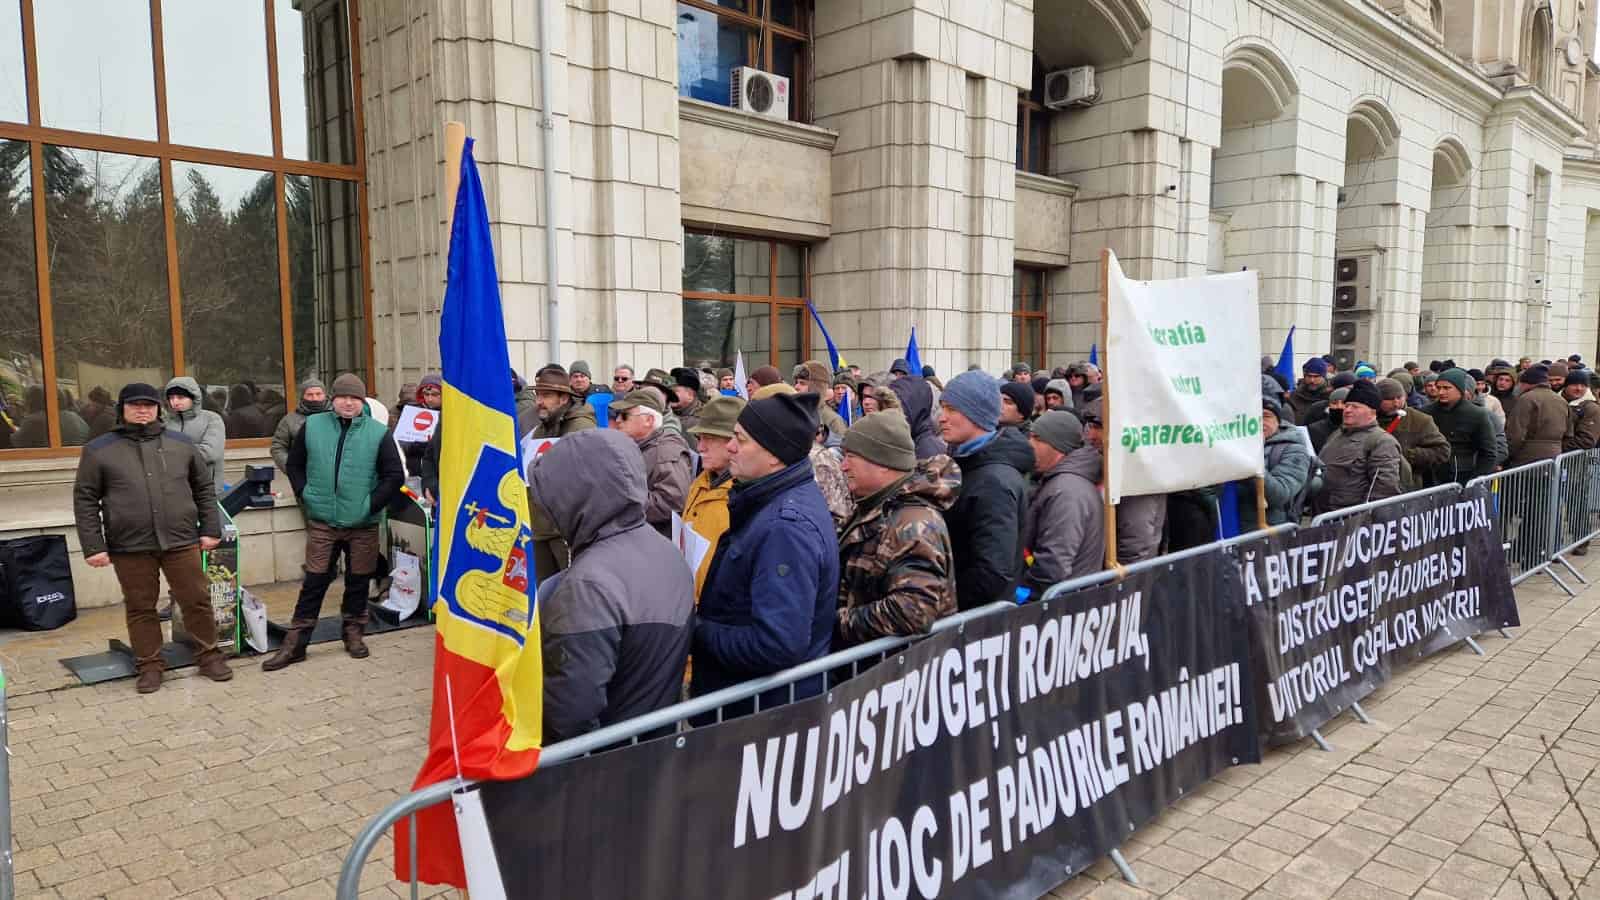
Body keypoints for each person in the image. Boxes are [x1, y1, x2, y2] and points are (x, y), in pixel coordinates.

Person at [528, 429, 694, 742]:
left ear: (574, 495)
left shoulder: (588, 586)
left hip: (606, 765)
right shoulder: (666, 551)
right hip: (656, 745)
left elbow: (570, 712)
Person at [74, 383, 232, 693]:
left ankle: (209, 655)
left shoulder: (181, 444)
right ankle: (149, 665)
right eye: (135, 404)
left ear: (159, 408)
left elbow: (203, 489)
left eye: (149, 404)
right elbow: (85, 499)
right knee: (140, 606)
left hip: (181, 539)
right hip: (129, 545)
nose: (143, 409)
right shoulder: (99, 449)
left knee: (196, 600)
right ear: (123, 409)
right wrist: (94, 546)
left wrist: (211, 529)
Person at [692, 391, 839, 716]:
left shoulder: (785, 528)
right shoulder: (772, 501)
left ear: (774, 455)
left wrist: (698, 631)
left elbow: (778, 644)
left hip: (762, 718)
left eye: (740, 440)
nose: (730, 446)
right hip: (752, 708)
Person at [264, 374, 404, 670]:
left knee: (357, 581)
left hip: (362, 524)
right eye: (342, 397)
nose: (348, 402)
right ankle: (296, 643)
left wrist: (370, 505)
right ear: (333, 399)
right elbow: (295, 463)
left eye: (354, 398)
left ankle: (353, 633)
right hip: (323, 520)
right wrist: (306, 494)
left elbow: (394, 476)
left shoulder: (378, 432)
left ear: (362, 401)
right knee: (314, 582)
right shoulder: (313, 426)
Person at [834, 411, 958, 648]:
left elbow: (912, 611)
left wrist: (838, 622)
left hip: (895, 672)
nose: (843, 465)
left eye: (851, 456)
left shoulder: (914, 524)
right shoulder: (874, 504)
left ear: (882, 463)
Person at [938, 371, 1027, 610]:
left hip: (975, 624)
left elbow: (993, 572)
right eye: (942, 408)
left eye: (951, 409)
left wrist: (942, 604)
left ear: (975, 413)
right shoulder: (965, 463)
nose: (941, 418)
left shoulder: (994, 482)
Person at [518, 369, 598, 580]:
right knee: (543, 589)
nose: (539, 402)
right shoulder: (542, 427)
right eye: (538, 395)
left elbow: (574, 472)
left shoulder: (580, 425)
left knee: (568, 588)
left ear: (563, 398)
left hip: (563, 527)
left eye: (546, 396)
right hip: (540, 524)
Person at [1019, 411, 1104, 600]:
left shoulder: (1066, 491)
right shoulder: (1059, 482)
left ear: (1057, 445)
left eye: (1037, 438)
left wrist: (1024, 597)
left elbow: (1054, 563)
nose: (1029, 444)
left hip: (1061, 608)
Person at [682, 396, 745, 597]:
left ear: (733, 442)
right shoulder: (700, 482)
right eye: (700, 439)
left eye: (709, 438)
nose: (700, 447)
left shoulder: (745, 495)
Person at [609, 388, 692, 537]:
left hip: (656, 542)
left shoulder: (665, 451)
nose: (618, 420)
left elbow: (673, 503)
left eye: (625, 415)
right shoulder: (643, 446)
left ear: (649, 420)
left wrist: (621, 499)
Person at [1316, 380, 1401, 512]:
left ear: (1372, 412)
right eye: (1347, 405)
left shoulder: (1381, 442)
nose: (1347, 410)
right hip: (1325, 516)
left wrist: (1366, 522)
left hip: (1353, 520)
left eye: (1355, 407)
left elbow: (1384, 489)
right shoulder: (1337, 434)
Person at [1242, 397, 1312, 526]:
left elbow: (1280, 495)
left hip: (1268, 533)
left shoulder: (1294, 450)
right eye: (1253, 416)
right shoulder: (1233, 447)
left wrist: (1252, 459)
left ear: (1278, 422)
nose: (1259, 422)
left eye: (1266, 416)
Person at [1423, 368, 1499, 485]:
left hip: (1463, 478)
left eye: (1447, 388)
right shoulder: (1426, 412)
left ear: (1460, 390)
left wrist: (1474, 481)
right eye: (1439, 388)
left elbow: (1489, 452)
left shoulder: (1477, 414)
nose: (1441, 392)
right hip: (1431, 477)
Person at [1376, 378, 1450, 491]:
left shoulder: (1420, 420)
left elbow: (1442, 451)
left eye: (1399, 397)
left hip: (1407, 487)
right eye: (1389, 399)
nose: (1396, 403)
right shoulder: (1366, 419)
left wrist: (1409, 455)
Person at [164, 376, 227, 498]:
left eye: (180, 397)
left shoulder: (212, 419)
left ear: (194, 397)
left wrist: (171, 453)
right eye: (171, 398)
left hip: (206, 490)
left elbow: (210, 453)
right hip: (174, 491)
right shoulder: (165, 422)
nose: (175, 402)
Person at [1506, 363, 1568, 467]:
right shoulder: (1561, 400)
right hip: (1554, 458)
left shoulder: (1526, 399)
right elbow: (1568, 432)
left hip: (1526, 460)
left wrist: (1506, 456)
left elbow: (1516, 434)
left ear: (1526, 383)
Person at [887, 359, 946, 459]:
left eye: (902, 374)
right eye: (895, 373)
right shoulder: (903, 440)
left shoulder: (930, 452)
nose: (897, 377)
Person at [272, 379, 327, 473]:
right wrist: (292, 469)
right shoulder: (289, 420)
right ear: (302, 397)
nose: (315, 398)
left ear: (325, 395)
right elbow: (278, 447)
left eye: (318, 394)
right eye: (310, 395)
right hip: (303, 476)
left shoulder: (337, 416)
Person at [396, 374, 443, 478]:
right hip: (414, 472)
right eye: (426, 394)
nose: (430, 398)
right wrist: (414, 446)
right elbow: (399, 445)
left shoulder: (450, 414)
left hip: (440, 471)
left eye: (435, 394)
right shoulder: (411, 412)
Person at [793, 360, 847, 438]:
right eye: (796, 382)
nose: (796, 387)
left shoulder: (832, 420)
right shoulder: (794, 413)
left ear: (816, 387)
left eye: (802, 383)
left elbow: (840, 448)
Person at [1287, 358, 1331, 425]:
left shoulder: (1331, 398)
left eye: (1316, 376)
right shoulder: (1293, 397)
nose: (1312, 380)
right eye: (1309, 376)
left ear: (1323, 377)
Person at [1564, 373, 1600, 451]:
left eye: (1583, 386)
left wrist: (1557, 446)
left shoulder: (1592, 408)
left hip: (1574, 459)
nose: (1579, 388)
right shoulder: (1557, 401)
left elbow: (1586, 441)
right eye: (1574, 384)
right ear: (1566, 386)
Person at [1307, 387, 1346, 455]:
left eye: (1344, 403)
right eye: (1334, 403)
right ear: (1329, 405)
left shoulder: (1357, 429)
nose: (1339, 406)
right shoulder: (1314, 429)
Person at [668, 367, 704, 433]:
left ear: (690, 395)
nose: (669, 394)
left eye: (675, 391)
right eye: (668, 390)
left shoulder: (702, 419)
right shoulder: (665, 412)